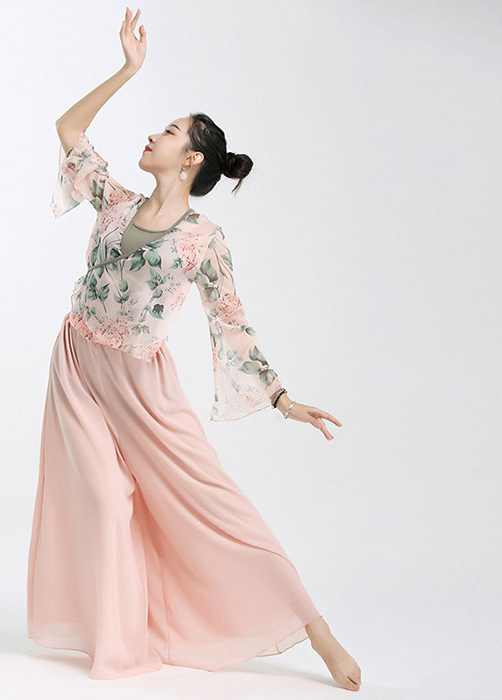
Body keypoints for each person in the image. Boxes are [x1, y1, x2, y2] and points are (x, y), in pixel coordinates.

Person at [27, 6, 361, 691]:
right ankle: (121, 642)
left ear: (192, 159)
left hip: (143, 388)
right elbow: (69, 130)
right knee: (104, 501)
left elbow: (231, 321)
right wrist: (127, 69)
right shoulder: (116, 202)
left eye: (170, 131)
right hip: (78, 365)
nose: (153, 134)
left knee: (215, 503)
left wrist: (282, 400)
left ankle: (316, 630)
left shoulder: (202, 239)